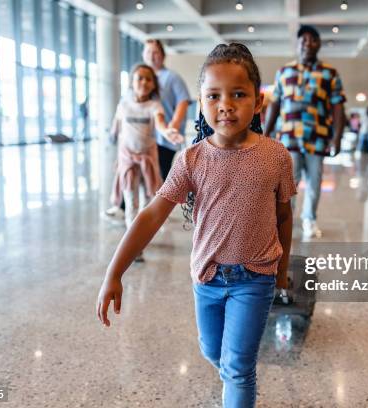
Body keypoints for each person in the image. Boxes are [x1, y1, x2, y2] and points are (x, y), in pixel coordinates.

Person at [96, 43, 296, 408]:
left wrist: (282, 271)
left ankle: (237, 388)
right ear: (201, 102)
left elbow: (284, 215)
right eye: (214, 95)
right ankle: (233, 381)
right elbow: (151, 214)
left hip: (255, 277)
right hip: (206, 278)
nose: (226, 104)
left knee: (238, 368)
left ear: (259, 101)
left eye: (239, 94)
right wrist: (115, 271)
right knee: (212, 352)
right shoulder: (192, 159)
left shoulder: (275, 156)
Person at [264, 25, 346, 239]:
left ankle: (309, 219)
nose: (308, 43)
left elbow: (338, 107)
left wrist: (337, 137)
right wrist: (266, 133)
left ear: (318, 44)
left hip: (317, 139)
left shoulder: (329, 73)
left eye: (312, 40)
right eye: (304, 40)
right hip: (289, 138)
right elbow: (274, 103)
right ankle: (285, 221)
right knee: (288, 184)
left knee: (314, 183)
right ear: (298, 44)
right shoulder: (284, 72)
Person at [106, 64, 183, 232]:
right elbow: (116, 125)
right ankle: (132, 239)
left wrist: (168, 132)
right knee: (130, 198)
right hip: (127, 160)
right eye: (140, 78)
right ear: (132, 82)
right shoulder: (124, 105)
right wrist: (111, 135)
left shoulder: (154, 106)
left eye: (149, 79)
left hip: (147, 159)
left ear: (154, 84)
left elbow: (161, 124)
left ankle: (139, 236)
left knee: (146, 201)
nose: (144, 82)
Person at [142, 39, 191, 180]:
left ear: (163, 55)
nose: (151, 56)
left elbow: (183, 101)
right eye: (148, 52)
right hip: (144, 136)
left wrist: (173, 125)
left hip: (164, 138)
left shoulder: (172, 77)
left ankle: (160, 201)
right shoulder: (141, 78)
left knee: (161, 176)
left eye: (155, 52)